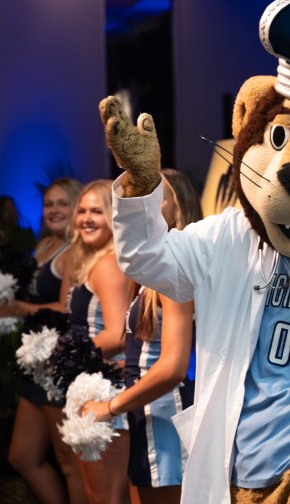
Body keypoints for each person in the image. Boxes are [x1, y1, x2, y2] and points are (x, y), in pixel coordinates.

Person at [82, 169, 199, 504]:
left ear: (179, 206)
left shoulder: (175, 269)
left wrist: (109, 406)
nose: (139, 204)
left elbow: (174, 366)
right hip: (148, 411)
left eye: (153, 196)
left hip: (165, 413)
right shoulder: (153, 268)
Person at [4, 178, 86, 504]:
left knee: (69, 463)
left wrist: (22, 308)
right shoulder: (43, 246)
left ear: (76, 207)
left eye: (62, 204)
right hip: (35, 361)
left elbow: (67, 309)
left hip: (58, 363)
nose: (54, 210)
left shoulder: (75, 251)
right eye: (49, 204)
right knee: (22, 456)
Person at [67, 179, 135, 503]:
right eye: (82, 211)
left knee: (106, 496)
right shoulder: (94, 259)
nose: (87, 218)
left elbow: (118, 335)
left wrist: (67, 356)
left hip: (106, 387)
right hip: (90, 381)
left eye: (97, 211)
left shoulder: (110, 263)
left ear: (114, 216)